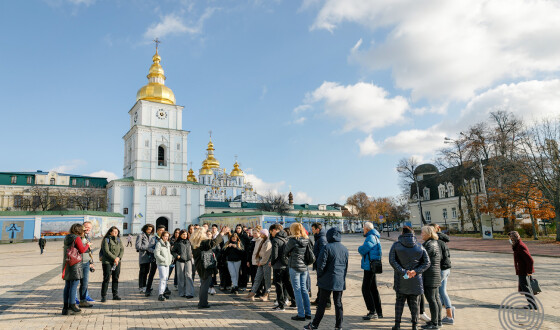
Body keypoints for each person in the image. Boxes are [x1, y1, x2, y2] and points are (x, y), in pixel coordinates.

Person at [304, 227, 349, 330]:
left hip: (326, 279)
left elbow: (320, 264)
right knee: (338, 303)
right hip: (339, 279)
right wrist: (342, 277)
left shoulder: (327, 247)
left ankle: (315, 325)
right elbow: (345, 266)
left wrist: (320, 276)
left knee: (322, 303)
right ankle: (339, 326)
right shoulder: (344, 249)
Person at [389, 226, 431, 330]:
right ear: (413, 233)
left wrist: (403, 271)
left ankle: (397, 325)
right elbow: (427, 262)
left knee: (399, 302)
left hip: (401, 278)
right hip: (415, 279)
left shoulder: (396, 245)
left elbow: (392, 261)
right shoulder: (419, 246)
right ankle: (414, 326)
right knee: (414, 304)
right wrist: (415, 271)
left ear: (402, 233)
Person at [191, 226, 230, 309]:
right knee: (205, 284)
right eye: (205, 232)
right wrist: (222, 233)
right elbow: (214, 242)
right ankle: (203, 303)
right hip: (205, 265)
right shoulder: (204, 242)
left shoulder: (195, 242)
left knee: (203, 283)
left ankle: (202, 301)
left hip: (200, 265)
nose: (206, 234)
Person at [284, 222, 312, 321]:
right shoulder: (306, 239)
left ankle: (301, 314)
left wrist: (290, 253)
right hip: (304, 266)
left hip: (294, 266)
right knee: (304, 289)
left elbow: (285, 251)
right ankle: (308, 313)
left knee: (297, 290)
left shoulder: (292, 240)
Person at [61, 223, 90, 315]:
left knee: (67, 286)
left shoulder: (67, 237)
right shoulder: (76, 238)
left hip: (67, 263)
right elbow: (82, 250)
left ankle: (66, 307)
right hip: (75, 264)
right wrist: (88, 245)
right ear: (79, 230)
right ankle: (72, 305)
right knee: (73, 285)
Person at [430, 224, 454, 324]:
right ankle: (450, 314)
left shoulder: (437, 241)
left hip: (441, 269)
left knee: (436, 293)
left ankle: (443, 316)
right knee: (442, 292)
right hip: (446, 268)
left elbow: (437, 258)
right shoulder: (442, 239)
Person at [359, 222, 383, 320]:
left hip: (369, 266)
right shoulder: (375, 236)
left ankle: (372, 311)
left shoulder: (370, 237)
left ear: (367, 229)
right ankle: (378, 312)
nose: (363, 230)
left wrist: (359, 248)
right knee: (373, 289)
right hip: (372, 265)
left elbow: (363, 250)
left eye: (364, 228)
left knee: (365, 289)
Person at [420, 226, 442, 329]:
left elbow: (423, 258)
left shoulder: (430, 244)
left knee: (432, 299)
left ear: (428, 234)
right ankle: (437, 321)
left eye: (422, 233)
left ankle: (435, 323)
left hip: (430, 275)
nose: (421, 235)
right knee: (436, 299)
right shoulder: (433, 243)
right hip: (434, 274)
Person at [269, 223, 295, 311]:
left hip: (278, 266)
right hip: (287, 264)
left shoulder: (276, 240)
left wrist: (272, 262)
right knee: (288, 284)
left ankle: (281, 305)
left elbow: (274, 254)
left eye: (271, 232)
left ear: (275, 230)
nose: (271, 234)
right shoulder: (286, 238)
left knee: (279, 285)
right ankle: (294, 302)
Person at [509, 231, 536, 309]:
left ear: (515, 238)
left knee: (526, 288)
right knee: (526, 288)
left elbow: (530, 260)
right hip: (522, 270)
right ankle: (532, 304)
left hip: (524, 271)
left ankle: (533, 305)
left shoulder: (520, 246)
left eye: (512, 238)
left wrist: (529, 272)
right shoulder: (517, 246)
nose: (510, 239)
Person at [245, 229, 273, 301]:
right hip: (260, 261)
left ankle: (267, 293)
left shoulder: (268, 242)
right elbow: (258, 251)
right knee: (257, 278)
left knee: (267, 279)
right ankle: (252, 292)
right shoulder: (262, 241)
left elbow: (267, 254)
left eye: (261, 234)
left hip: (265, 262)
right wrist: (257, 260)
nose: (260, 235)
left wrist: (262, 262)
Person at [100, 226, 124, 302]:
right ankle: (103, 296)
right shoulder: (106, 240)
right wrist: (115, 258)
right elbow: (106, 251)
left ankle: (115, 295)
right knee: (106, 278)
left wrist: (118, 258)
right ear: (110, 232)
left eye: (117, 232)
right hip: (107, 262)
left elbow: (122, 249)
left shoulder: (119, 240)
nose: (115, 233)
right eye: (114, 232)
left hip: (117, 262)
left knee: (115, 278)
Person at [310, 223, 330, 309]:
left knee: (323, 283)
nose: (312, 231)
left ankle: (327, 303)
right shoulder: (318, 237)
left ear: (317, 229)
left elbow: (323, 253)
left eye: (313, 229)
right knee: (320, 283)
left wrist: (320, 264)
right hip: (318, 263)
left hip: (321, 264)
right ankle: (319, 300)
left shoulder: (322, 239)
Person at [172, 229, 195, 298]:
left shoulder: (189, 242)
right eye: (183, 234)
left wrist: (192, 254)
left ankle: (189, 293)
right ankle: (182, 292)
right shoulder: (177, 242)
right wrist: (177, 256)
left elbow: (193, 249)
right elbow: (173, 251)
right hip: (180, 261)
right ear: (180, 235)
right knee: (181, 277)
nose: (184, 236)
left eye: (186, 234)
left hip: (188, 260)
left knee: (189, 276)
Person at [77, 221, 95, 307]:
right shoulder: (78, 236)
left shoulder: (87, 237)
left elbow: (89, 251)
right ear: (82, 227)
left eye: (90, 228)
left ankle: (83, 300)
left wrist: (91, 262)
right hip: (78, 262)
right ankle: (72, 300)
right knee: (75, 282)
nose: (88, 229)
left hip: (86, 262)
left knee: (85, 282)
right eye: (86, 227)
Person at [145, 225, 167, 297]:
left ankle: (165, 289)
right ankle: (148, 289)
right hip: (155, 259)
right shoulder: (154, 238)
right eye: (160, 230)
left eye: (163, 230)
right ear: (157, 231)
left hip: (163, 260)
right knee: (152, 274)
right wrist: (155, 251)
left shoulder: (165, 239)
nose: (162, 232)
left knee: (164, 275)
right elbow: (149, 248)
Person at [136, 224, 154, 293]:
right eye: (148, 229)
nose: (150, 231)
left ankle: (145, 285)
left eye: (151, 230)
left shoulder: (151, 236)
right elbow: (138, 246)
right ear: (145, 229)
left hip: (149, 257)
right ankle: (141, 286)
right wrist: (147, 248)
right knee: (142, 272)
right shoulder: (140, 236)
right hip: (143, 256)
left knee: (147, 272)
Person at [155, 231, 173, 301]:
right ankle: (160, 294)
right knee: (162, 278)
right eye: (165, 236)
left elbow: (169, 252)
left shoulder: (168, 243)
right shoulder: (159, 244)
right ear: (162, 236)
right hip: (161, 263)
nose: (166, 237)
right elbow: (156, 254)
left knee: (166, 278)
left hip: (167, 263)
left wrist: (170, 258)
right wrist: (163, 259)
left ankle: (164, 292)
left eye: (167, 236)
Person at [235, 224, 251, 292]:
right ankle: (238, 285)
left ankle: (244, 285)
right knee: (237, 271)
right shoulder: (235, 235)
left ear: (241, 229)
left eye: (239, 228)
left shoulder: (244, 236)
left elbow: (247, 246)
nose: (238, 229)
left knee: (244, 271)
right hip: (237, 256)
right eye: (237, 228)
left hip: (244, 255)